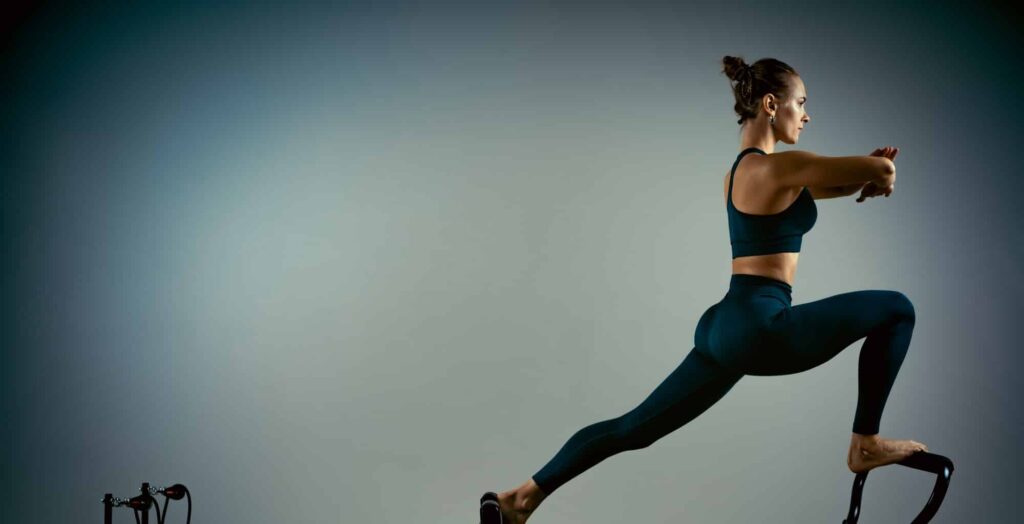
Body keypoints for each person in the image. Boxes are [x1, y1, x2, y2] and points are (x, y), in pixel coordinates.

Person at [479, 56, 929, 524]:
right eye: (802, 103)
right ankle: (866, 443)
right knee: (897, 309)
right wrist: (879, 173)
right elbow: (879, 172)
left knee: (634, 428)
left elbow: (831, 186)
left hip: (722, 327)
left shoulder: (744, 174)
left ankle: (518, 499)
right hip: (762, 325)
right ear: (772, 104)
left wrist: (866, 178)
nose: (808, 115)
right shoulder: (784, 167)